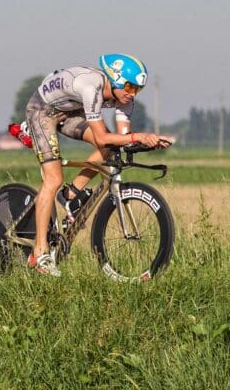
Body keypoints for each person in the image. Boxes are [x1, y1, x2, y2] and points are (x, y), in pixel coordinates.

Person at [22, 53, 171, 276]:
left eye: (138, 89)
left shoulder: (126, 100)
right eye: (129, 87)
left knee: (111, 146)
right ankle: (40, 253)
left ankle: (71, 195)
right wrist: (138, 136)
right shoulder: (92, 87)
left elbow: (123, 137)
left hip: (70, 112)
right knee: (54, 179)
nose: (132, 94)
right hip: (42, 112)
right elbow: (102, 137)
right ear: (115, 79)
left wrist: (148, 142)